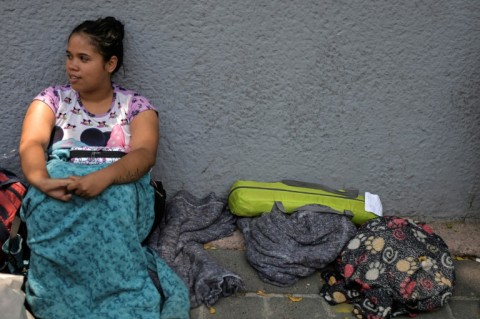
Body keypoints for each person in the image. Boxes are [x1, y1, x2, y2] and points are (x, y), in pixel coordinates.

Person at [19, 17, 189, 318]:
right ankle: (57, 299)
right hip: (61, 180)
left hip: (117, 181)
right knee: (45, 204)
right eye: (69, 56)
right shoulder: (52, 100)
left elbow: (144, 154)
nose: (72, 66)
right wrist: (42, 181)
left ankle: (118, 296)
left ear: (110, 64)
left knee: (116, 202)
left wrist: (104, 178)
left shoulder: (136, 106)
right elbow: (32, 145)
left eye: (84, 58)